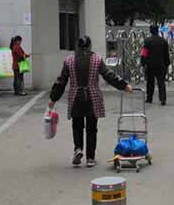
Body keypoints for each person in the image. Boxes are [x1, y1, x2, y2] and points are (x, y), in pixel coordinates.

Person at [49, 36, 132, 167]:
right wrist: (124, 85)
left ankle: (78, 149)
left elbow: (61, 81)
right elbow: (108, 75)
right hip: (92, 97)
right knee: (91, 128)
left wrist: (53, 99)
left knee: (77, 125)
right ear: (89, 46)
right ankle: (90, 158)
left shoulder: (69, 60)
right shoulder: (96, 59)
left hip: (75, 97)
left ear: (77, 46)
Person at [141, 25, 170, 105]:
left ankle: (149, 98)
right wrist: (167, 64)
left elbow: (144, 53)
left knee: (150, 82)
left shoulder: (147, 41)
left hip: (150, 65)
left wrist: (143, 63)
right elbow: (166, 54)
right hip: (161, 65)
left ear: (150, 31)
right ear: (157, 31)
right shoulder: (163, 41)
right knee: (161, 82)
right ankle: (163, 99)